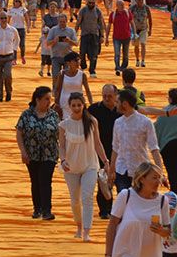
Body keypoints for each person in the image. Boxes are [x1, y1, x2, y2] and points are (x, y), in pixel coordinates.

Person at [59, 91, 109, 241]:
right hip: (71, 167)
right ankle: (79, 225)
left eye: (79, 105)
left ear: (83, 105)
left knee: (87, 197)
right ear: (69, 106)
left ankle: (87, 232)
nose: (76, 108)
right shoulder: (64, 125)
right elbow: (61, 146)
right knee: (75, 199)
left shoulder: (92, 121)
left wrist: (105, 161)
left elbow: (97, 143)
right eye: (73, 105)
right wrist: (63, 160)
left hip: (90, 165)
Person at [16, 86, 60, 220]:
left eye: (50, 99)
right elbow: (19, 133)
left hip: (50, 154)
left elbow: (60, 134)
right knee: (35, 181)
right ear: (37, 100)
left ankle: (47, 210)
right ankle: (37, 208)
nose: (49, 102)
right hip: (32, 153)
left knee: (45, 180)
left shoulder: (54, 115)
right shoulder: (26, 115)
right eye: (46, 99)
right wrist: (23, 152)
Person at [109, 88, 163, 193]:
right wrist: (111, 171)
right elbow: (115, 148)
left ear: (125, 104)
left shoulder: (146, 122)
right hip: (122, 170)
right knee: (125, 200)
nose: (115, 105)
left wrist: (159, 172)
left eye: (117, 102)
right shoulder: (118, 123)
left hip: (142, 171)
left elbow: (154, 148)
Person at [91, 84, 124, 220]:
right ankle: (104, 210)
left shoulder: (122, 110)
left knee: (120, 183)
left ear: (116, 96)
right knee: (103, 182)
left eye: (110, 96)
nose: (106, 99)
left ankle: (119, 210)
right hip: (100, 150)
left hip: (120, 151)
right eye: (104, 96)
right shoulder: (94, 109)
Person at [54, 52, 93, 119]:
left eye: (78, 60)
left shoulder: (82, 75)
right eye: (75, 61)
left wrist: (92, 105)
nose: (78, 62)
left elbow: (88, 91)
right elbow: (57, 89)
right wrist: (57, 103)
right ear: (68, 63)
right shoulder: (62, 74)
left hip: (78, 105)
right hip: (64, 105)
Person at [76, 0, 106, 78]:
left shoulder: (98, 11)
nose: (91, 4)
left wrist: (102, 36)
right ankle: (83, 65)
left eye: (93, 3)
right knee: (82, 52)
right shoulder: (83, 10)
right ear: (86, 2)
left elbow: (101, 24)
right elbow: (78, 21)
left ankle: (92, 70)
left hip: (94, 35)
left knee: (94, 54)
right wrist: (75, 33)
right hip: (84, 34)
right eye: (90, 3)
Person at [46, 13, 78, 83]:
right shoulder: (53, 30)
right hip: (56, 56)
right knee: (56, 77)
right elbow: (47, 43)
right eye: (60, 22)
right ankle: (55, 92)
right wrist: (54, 41)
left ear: (66, 21)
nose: (62, 23)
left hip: (68, 57)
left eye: (63, 22)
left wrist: (69, 41)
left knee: (68, 77)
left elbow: (76, 43)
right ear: (58, 21)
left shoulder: (71, 30)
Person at [109, 0, 134, 76]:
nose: (123, 6)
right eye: (121, 5)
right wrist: (106, 37)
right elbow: (109, 25)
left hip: (127, 36)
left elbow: (132, 23)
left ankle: (123, 67)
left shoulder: (127, 13)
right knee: (117, 53)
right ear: (117, 6)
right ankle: (117, 67)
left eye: (123, 5)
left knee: (125, 54)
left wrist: (135, 33)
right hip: (116, 37)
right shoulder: (113, 14)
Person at [131, 0, 153, 69]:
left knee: (143, 44)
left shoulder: (146, 8)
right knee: (136, 45)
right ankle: (137, 59)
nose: (141, 1)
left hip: (144, 29)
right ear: (136, 0)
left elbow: (150, 19)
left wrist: (150, 29)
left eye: (142, 0)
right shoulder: (132, 8)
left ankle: (143, 60)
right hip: (135, 30)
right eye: (139, 0)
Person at [7, 0, 30, 65]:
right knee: (14, 44)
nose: (17, 3)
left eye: (19, 2)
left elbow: (27, 18)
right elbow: (8, 19)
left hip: (21, 28)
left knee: (22, 45)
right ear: (14, 2)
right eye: (16, 1)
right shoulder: (11, 10)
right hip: (14, 29)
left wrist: (28, 27)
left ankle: (22, 56)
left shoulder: (23, 9)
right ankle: (14, 59)